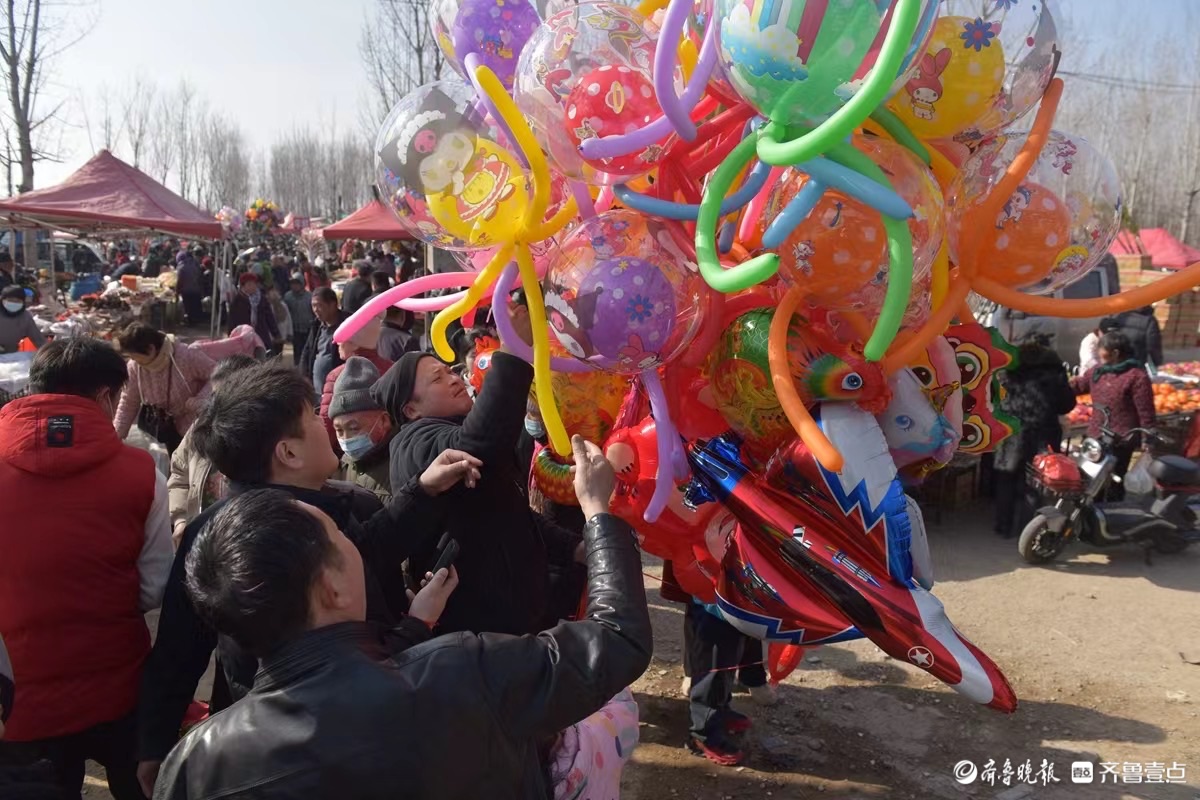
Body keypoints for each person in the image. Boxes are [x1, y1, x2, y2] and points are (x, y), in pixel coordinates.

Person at [151, 435, 651, 800]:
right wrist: (598, 512)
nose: (356, 544)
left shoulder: (195, 766)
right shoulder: (462, 671)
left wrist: (414, 626)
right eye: (341, 539)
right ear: (331, 588)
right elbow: (616, 639)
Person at [134, 363, 480, 793]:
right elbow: (182, 652)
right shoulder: (253, 541)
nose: (326, 426)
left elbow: (367, 548)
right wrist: (416, 625)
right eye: (314, 418)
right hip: (318, 746)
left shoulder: (315, 507)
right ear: (289, 454)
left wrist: (422, 489)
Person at [0, 337, 173, 800]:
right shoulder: (143, 474)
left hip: (19, 702)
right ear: (104, 396)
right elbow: (153, 588)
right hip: (118, 688)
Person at [375, 326, 585, 636]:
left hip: (520, 618)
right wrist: (512, 352)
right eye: (437, 378)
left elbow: (513, 514)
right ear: (411, 409)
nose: (453, 379)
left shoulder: (454, 426)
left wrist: (573, 547)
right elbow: (477, 446)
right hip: (475, 633)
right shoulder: (413, 443)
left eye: (450, 371)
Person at [167, 355, 259, 545]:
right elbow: (179, 476)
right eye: (216, 397)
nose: (221, 406)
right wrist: (181, 520)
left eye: (232, 397)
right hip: (202, 540)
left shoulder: (270, 438)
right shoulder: (201, 429)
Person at [992, 336, 1078, 537]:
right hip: (1042, 433)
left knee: (1006, 479)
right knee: (1035, 483)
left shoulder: (1006, 371)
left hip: (1011, 432)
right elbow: (1067, 404)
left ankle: (1003, 525)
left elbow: (994, 399)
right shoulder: (1053, 373)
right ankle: (1027, 529)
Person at [1071, 331, 1157, 501]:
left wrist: (1148, 437)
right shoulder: (1097, 371)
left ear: (1115, 353)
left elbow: (1145, 410)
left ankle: (1112, 509)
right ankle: (1088, 511)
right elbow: (1079, 386)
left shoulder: (1136, 376)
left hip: (1122, 438)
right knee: (1088, 476)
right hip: (1096, 434)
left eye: (1101, 350)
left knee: (1114, 479)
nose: (1098, 353)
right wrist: (1058, 383)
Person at [113, 322, 216, 454]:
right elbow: (128, 401)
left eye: (134, 356)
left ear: (151, 349)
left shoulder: (186, 355)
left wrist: (200, 399)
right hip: (163, 430)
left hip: (195, 429)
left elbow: (220, 375)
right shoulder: (134, 367)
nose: (133, 360)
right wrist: (117, 434)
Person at [320, 314, 391, 452]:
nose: (338, 345)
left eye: (342, 341)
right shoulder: (393, 369)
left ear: (353, 343)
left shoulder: (337, 376)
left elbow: (327, 422)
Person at [331, 357, 395, 503]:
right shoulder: (344, 464)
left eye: (354, 428)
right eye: (339, 430)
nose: (346, 439)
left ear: (384, 420)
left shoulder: (401, 463)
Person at [301, 287, 348, 393]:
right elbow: (307, 351)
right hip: (317, 391)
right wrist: (304, 377)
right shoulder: (316, 326)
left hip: (339, 388)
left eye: (319, 305)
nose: (316, 310)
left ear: (333, 305)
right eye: (313, 306)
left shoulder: (347, 324)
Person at [226, 273, 282, 356]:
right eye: (249, 284)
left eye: (254, 284)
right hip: (244, 337)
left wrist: (276, 333)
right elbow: (232, 321)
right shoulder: (237, 301)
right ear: (243, 286)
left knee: (265, 357)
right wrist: (231, 337)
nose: (253, 287)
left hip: (261, 334)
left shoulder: (261, 299)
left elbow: (269, 317)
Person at [0, 285, 44, 353]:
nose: (13, 303)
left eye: (17, 301)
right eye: (10, 300)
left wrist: (48, 354)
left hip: (11, 354)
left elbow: (39, 340)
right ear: (2, 300)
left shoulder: (25, 317)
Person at [282, 274, 315, 366]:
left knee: (308, 351)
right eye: (292, 284)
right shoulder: (288, 297)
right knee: (297, 352)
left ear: (302, 284)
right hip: (295, 330)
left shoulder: (309, 297)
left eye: (297, 283)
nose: (294, 286)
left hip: (308, 329)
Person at [175, 250, 204, 326]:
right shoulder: (196, 263)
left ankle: (191, 322)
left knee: (188, 307)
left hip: (186, 290)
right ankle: (197, 320)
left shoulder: (181, 266)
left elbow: (180, 280)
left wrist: (177, 291)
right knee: (195, 305)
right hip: (196, 289)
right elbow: (200, 277)